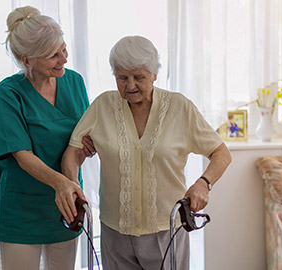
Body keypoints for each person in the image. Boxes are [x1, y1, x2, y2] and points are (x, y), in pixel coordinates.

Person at [61, 36, 232, 269]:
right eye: (122, 78)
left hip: (167, 230)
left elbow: (221, 152)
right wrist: (72, 184)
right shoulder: (103, 106)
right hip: (115, 232)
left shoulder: (179, 108)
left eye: (138, 77)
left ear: (154, 74)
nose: (130, 85)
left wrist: (204, 183)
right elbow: (73, 152)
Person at [0, 6, 94, 270]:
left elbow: (81, 137)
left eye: (64, 49)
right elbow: (22, 155)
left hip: (67, 206)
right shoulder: (8, 94)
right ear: (27, 60)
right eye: (53, 56)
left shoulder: (75, 82)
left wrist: (88, 146)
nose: (63, 59)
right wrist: (61, 184)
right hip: (22, 211)